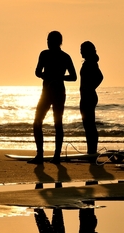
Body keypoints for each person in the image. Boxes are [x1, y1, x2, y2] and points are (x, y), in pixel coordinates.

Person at [28, 31, 77, 165]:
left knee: (58, 123)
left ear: (58, 42)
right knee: (37, 121)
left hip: (59, 93)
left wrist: (58, 78)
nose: (48, 42)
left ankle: (56, 156)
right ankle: (40, 155)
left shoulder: (65, 57)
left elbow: (73, 76)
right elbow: (37, 71)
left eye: (50, 40)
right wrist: (45, 76)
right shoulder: (44, 54)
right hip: (45, 93)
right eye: (47, 40)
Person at [79, 41, 103, 154]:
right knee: (88, 124)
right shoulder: (88, 62)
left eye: (82, 49)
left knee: (90, 125)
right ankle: (91, 150)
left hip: (89, 97)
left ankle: (92, 151)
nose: (80, 51)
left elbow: (100, 77)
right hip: (86, 96)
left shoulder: (91, 63)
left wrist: (91, 88)